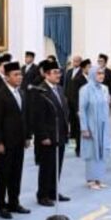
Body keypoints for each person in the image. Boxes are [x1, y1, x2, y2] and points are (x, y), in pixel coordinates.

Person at [0, 61, 31, 219]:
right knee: (3, 175)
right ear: (7, 77)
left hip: (19, 141)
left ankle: (14, 202)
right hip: (5, 142)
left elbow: (25, 117)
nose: (20, 77)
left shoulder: (22, 93)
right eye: (16, 75)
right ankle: (1, 205)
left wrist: (27, 136)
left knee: (16, 173)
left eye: (20, 74)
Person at [32, 59, 70, 207]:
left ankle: (53, 191)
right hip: (48, 136)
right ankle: (43, 195)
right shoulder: (40, 91)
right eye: (55, 73)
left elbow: (63, 111)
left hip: (60, 134)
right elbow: (38, 117)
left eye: (59, 72)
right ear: (47, 75)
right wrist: (43, 136)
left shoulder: (59, 89)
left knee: (57, 165)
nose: (58, 75)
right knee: (47, 166)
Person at [80, 65, 111, 190]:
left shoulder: (105, 88)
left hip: (103, 125)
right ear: (93, 74)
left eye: (102, 73)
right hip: (91, 125)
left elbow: (106, 107)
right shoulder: (85, 89)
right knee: (92, 152)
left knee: (102, 151)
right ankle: (91, 180)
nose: (101, 76)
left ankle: (99, 178)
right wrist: (84, 128)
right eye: (98, 73)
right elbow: (82, 110)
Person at [65, 59, 90, 157]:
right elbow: (74, 96)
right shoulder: (77, 79)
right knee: (80, 128)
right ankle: (79, 148)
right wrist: (78, 109)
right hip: (80, 108)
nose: (90, 69)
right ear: (83, 68)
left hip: (90, 109)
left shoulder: (91, 79)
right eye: (88, 67)